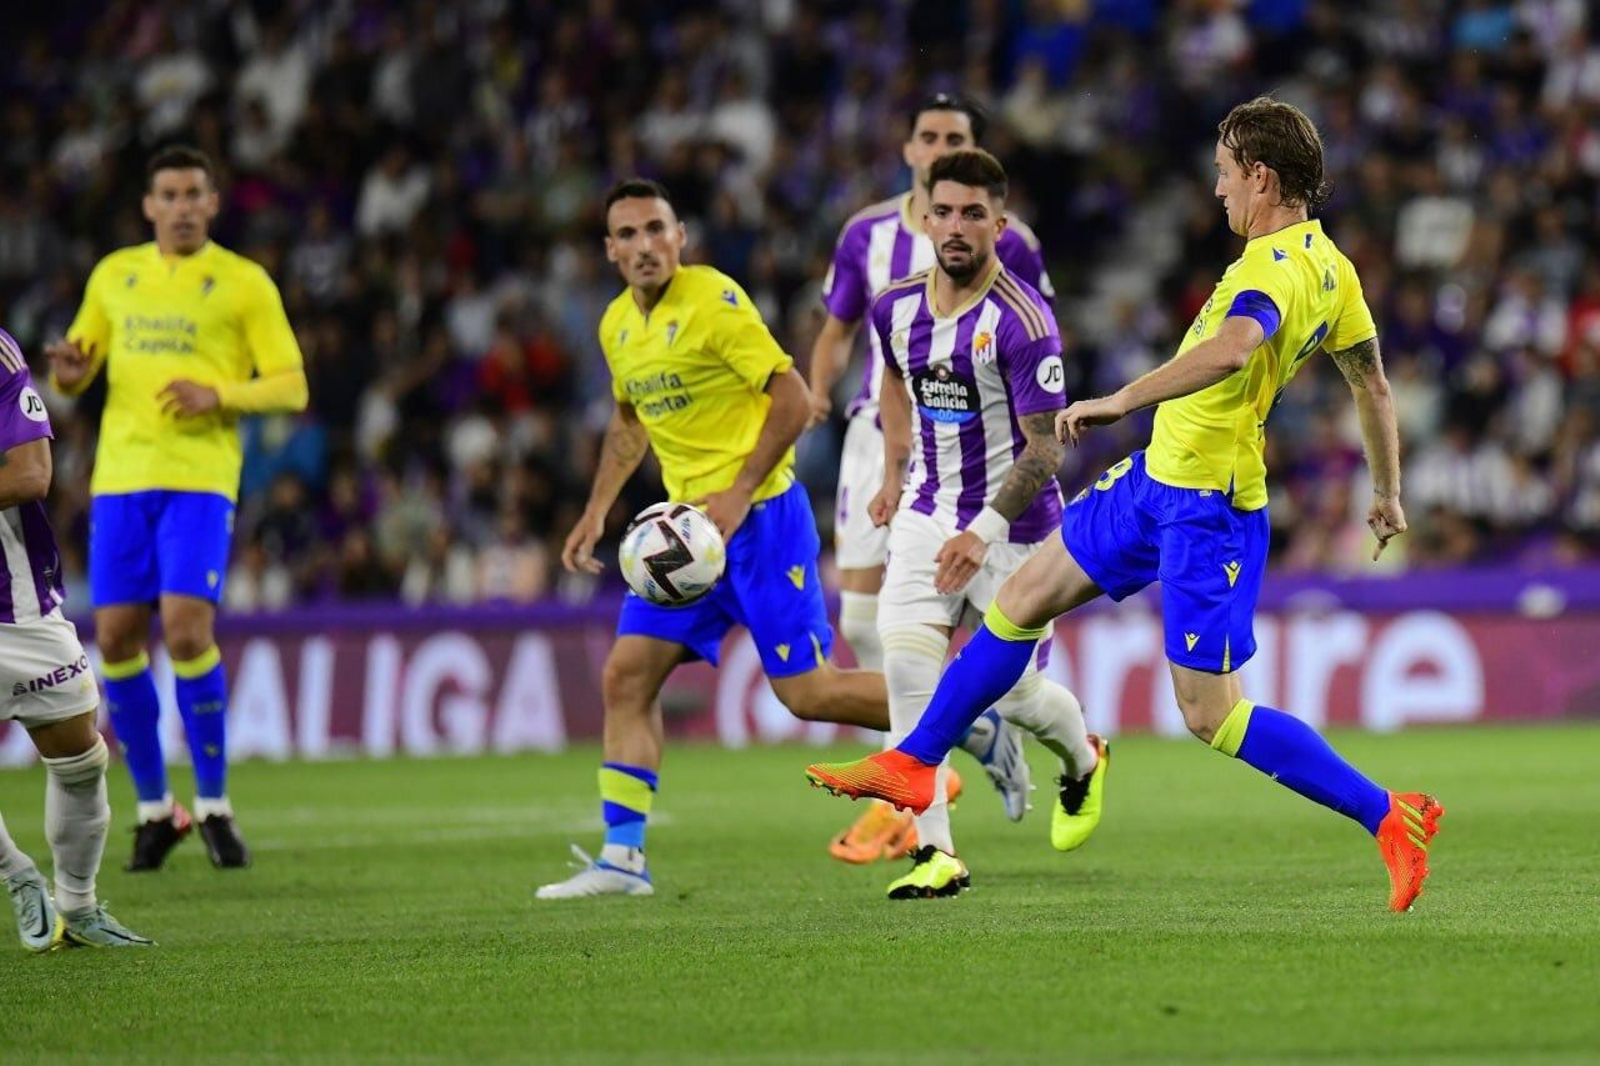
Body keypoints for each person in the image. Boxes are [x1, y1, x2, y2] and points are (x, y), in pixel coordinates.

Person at [808, 97, 1444, 912]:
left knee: (1210, 714)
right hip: (1156, 480)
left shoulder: (1271, 270)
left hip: (1208, 505)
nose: (1216, 192)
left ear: (1261, 177)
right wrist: (1387, 491)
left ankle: (1390, 815)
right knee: (1019, 599)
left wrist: (1120, 399)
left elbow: (1235, 346)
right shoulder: (1334, 266)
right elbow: (1373, 383)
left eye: (1223, 174)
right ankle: (914, 761)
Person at [538, 179, 891, 900]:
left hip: (761, 520)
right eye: (628, 235)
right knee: (626, 677)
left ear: (681, 236)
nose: (644, 246)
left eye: (656, 229)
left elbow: (792, 400)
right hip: (682, 539)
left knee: (810, 695)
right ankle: (623, 858)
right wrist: (597, 508)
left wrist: (736, 491)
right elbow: (629, 420)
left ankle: (973, 713)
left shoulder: (713, 302)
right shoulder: (615, 327)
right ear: (610, 251)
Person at [47, 145, 309, 871]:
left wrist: (217, 394)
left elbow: (291, 385)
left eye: (196, 192)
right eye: (170, 193)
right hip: (120, 479)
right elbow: (78, 369)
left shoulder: (243, 283)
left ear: (214, 203)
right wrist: (68, 376)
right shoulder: (114, 275)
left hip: (199, 478)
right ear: (149, 206)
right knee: (120, 636)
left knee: (189, 632)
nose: (184, 205)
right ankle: (158, 810)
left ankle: (218, 805)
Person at [810, 93, 1054, 864]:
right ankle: (945, 762)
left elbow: (1037, 359)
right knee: (862, 628)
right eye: (927, 137)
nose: (937, 147)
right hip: (885, 439)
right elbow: (843, 333)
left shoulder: (1013, 256)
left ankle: (937, 757)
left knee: (996, 673)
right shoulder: (866, 236)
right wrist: (823, 402)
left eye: (955, 138)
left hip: (986, 460)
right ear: (908, 149)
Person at [863, 150, 1107, 900]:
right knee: (906, 670)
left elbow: (1045, 450)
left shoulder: (1026, 323)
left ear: (1000, 224)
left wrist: (986, 531)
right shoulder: (893, 307)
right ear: (924, 217)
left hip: (1019, 527)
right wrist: (895, 469)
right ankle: (934, 852)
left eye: (975, 213)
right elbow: (897, 385)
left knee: (1017, 699)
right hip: (928, 513)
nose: (958, 226)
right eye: (945, 212)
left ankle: (1086, 760)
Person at [0, 328, 152, 949]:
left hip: (19, 605)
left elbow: (32, 474)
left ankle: (81, 908)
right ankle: (16, 876)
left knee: (82, 757)